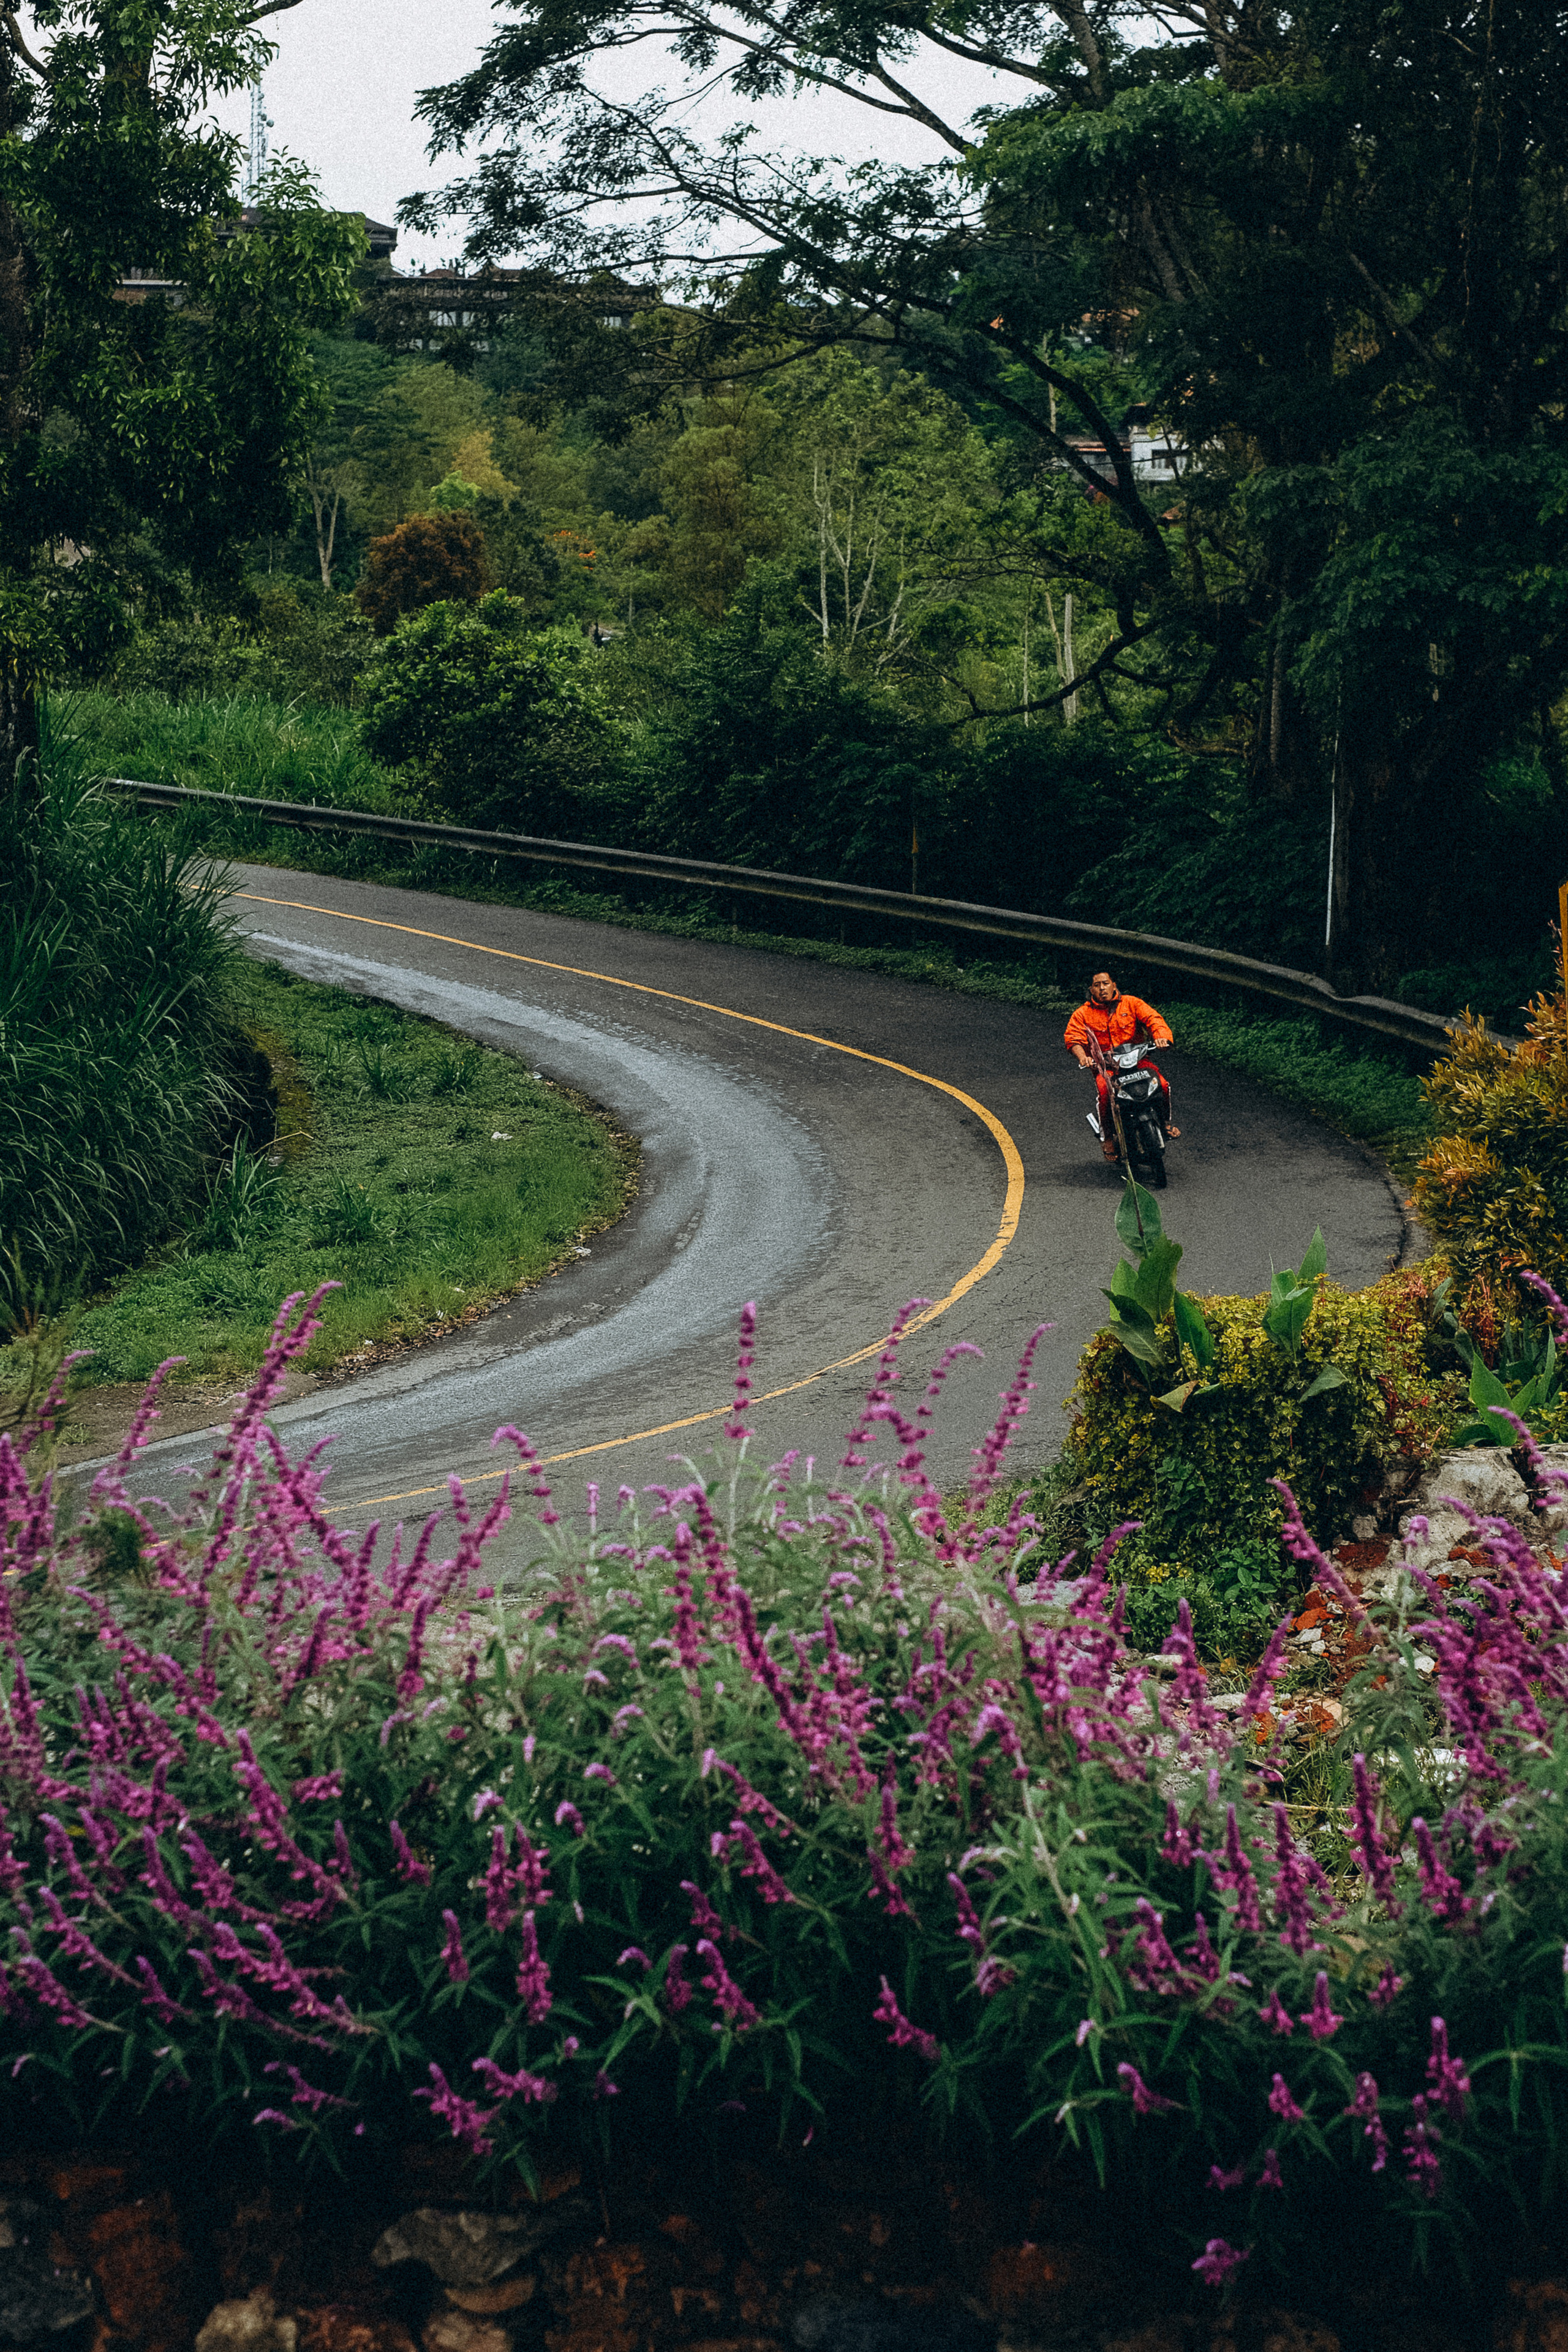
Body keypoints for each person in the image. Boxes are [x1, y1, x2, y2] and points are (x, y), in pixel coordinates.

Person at [1064, 970, 1180, 1160]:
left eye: (1106, 983)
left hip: (1138, 1062)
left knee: (1163, 1085)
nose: (1102, 988)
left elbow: (1153, 1019)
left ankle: (1165, 1124)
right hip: (1108, 1067)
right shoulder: (1082, 1014)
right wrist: (1083, 1057)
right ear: (1091, 990)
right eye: (1097, 985)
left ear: (1114, 985)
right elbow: (1073, 1038)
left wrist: (1161, 1038)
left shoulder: (1132, 1003)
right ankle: (1108, 1138)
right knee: (1104, 1094)